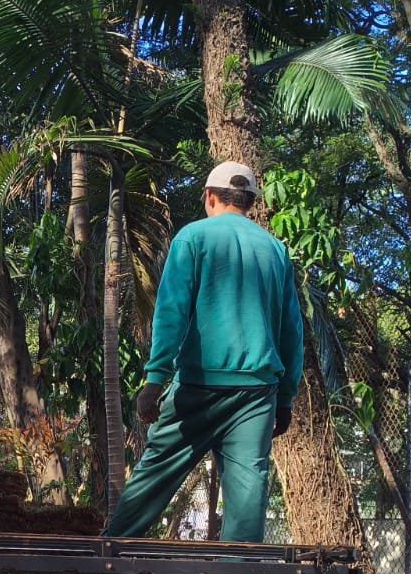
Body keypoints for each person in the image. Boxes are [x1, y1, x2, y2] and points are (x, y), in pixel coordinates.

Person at [103, 161, 304, 542]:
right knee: (248, 493)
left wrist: (155, 380)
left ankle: (110, 551)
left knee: (155, 473)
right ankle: (238, 572)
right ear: (250, 202)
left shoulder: (193, 238)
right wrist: (285, 398)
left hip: (198, 386)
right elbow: (291, 330)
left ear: (210, 197)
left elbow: (172, 312)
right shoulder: (276, 250)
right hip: (256, 393)